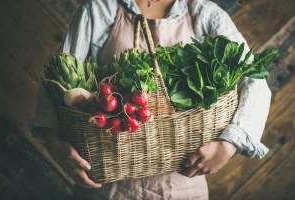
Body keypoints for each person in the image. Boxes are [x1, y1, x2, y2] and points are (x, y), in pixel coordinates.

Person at [30, 0, 271, 199]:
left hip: (182, 185)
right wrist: (53, 140)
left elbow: (254, 81)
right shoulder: (100, 9)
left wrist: (230, 143)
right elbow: (55, 83)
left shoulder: (205, 14)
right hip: (106, 185)